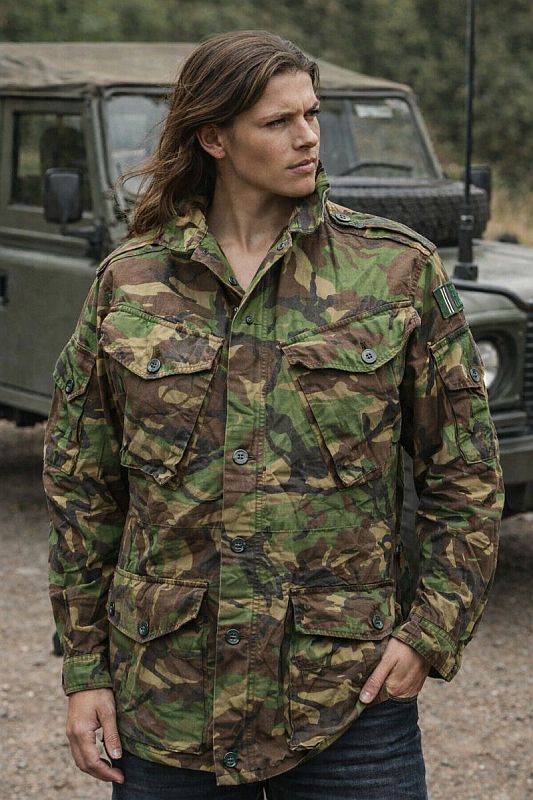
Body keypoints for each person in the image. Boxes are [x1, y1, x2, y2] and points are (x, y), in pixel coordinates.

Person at [43, 30, 504, 800]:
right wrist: (86, 668)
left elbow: (465, 478)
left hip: (346, 696)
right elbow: (81, 487)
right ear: (213, 137)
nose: (308, 136)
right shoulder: (131, 283)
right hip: (168, 695)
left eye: (311, 114)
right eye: (278, 121)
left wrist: (429, 632)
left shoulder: (394, 271)